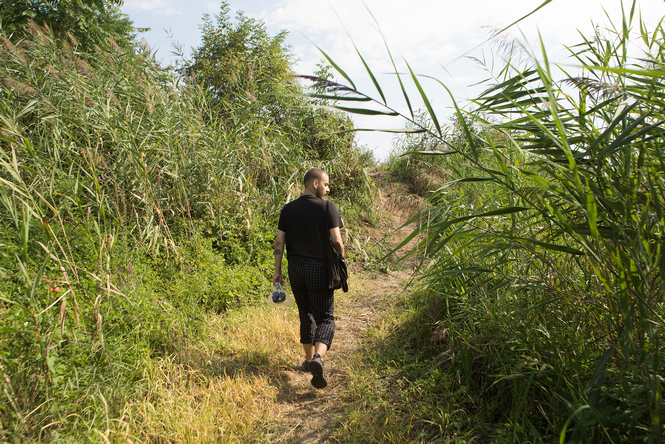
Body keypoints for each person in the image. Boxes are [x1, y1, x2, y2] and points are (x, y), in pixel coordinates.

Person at [272, 167, 345, 389]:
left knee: (306, 315)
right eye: (326, 184)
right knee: (326, 318)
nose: (328, 188)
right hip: (319, 269)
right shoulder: (327, 208)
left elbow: (278, 243)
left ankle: (307, 361)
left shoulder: (288, 209)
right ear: (315, 183)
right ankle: (318, 359)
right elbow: (337, 241)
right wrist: (341, 259)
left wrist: (277, 272)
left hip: (295, 269)